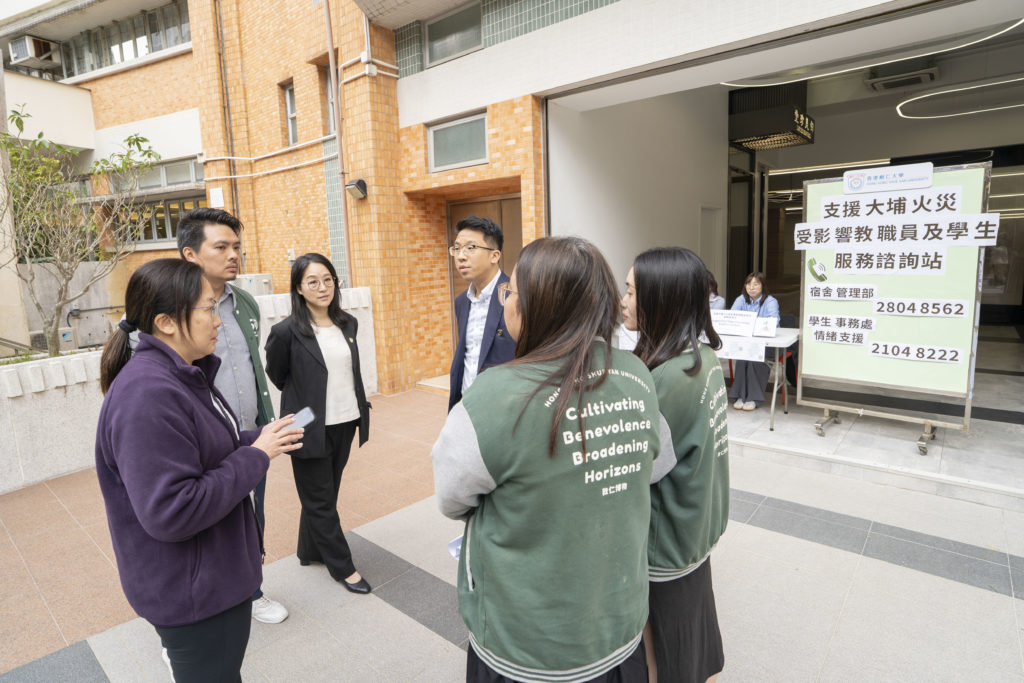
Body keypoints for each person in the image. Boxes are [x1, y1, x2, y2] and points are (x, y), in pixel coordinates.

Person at [432, 236, 663, 683]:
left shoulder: (494, 396)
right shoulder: (636, 374)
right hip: (618, 628)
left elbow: (451, 498)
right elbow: (650, 463)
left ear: (536, 308)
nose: (506, 300)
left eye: (511, 291)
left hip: (524, 645)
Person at [95, 259, 303, 682]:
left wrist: (260, 438)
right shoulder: (148, 394)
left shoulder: (181, 375)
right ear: (167, 322)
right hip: (193, 593)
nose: (219, 321)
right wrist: (256, 455)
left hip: (209, 579)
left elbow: (206, 450)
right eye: (208, 308)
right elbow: (172, 509)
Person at [621, 248, 729, 683]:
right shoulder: (702, 359)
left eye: (631, 292)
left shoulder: (664, 380)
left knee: (662, 658)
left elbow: (644, 468)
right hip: (695, 527)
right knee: (694, 640)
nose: (623, 301)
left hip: (664, 542)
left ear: (659, 299)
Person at [177, 207, 289, 624]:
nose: (233, 255)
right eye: (221, 247)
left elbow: (252, 366)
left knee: (250, 516)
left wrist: (264, 425)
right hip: (202, 442)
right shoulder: (169, 307)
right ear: (190, 254)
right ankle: (189, 619)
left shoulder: (243, 303)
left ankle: (251, 591)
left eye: (236, 247)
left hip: (249, 435)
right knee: (202, 526)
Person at [264, 253, 373, 594]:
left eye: (328, 280)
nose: (322, 287)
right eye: (312, 282)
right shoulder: (285, 332)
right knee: (321, 500)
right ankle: (343, 567)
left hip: (346, 419)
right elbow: (278, 374)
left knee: (325, 492)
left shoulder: (347, 323)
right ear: (299, 288)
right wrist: (307, 398)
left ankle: (309, 549)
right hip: (308, 424)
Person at [448, 215, 516, 411]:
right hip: (467, 405)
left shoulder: (515, 298)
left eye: (471, 247)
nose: (461, 256)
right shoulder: (462, 302)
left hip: (503, 409)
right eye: (457, 248)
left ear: (494, 256)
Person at [728, 272, 780, 411]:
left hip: (766, 344)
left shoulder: (770, 301)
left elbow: (773, 322)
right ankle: (740, 395)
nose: (751, 287)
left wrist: (749, 324)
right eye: (748, 284)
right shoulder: (741, 299)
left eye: (756, 284)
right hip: (746, 343)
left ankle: (753, 398)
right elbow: (732, 317)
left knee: (753, 357)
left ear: (763, 286)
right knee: (742, 357)